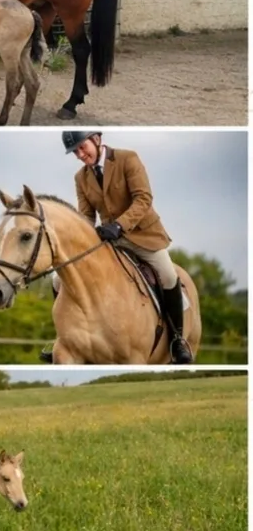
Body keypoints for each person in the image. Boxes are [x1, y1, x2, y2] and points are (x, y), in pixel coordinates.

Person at [48, 130, 192, 364]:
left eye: (82, 147)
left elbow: (143, 198)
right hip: (108, 239)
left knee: (167, 275)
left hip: (144, 235)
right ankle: (67, 336)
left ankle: (177, 339)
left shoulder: (128, 159)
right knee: (57, 279)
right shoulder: (80, 178)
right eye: (75, 152)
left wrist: (119, 225)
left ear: (96, 139)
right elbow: (86, 215)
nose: (80, 155)